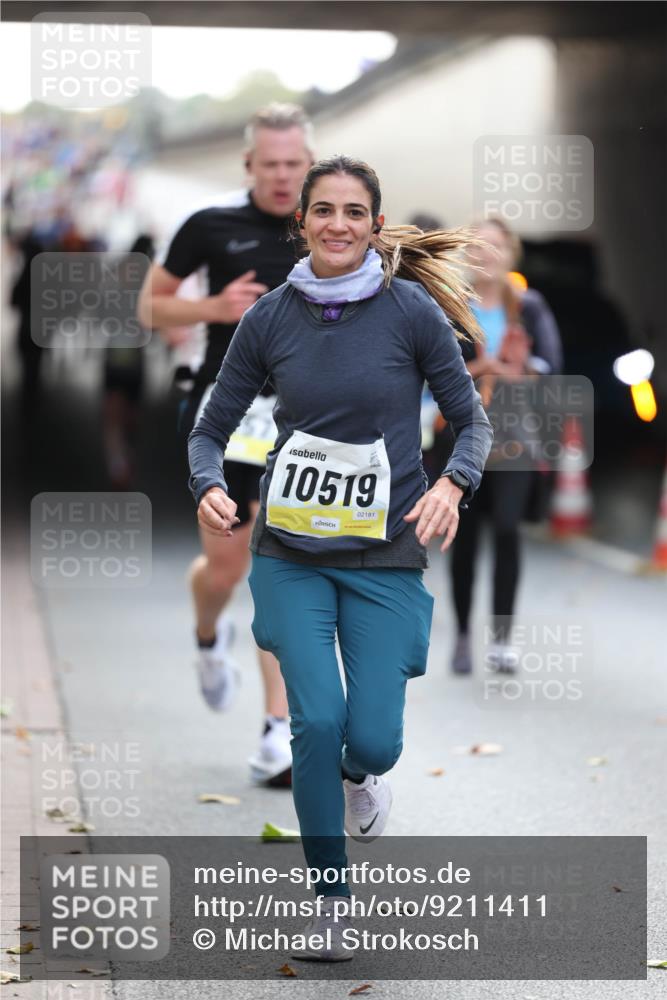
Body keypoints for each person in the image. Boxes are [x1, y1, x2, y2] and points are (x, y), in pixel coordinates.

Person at [188, 156, 493, 960]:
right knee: (315, 722)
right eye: (322, 210)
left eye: (352, 212)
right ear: (303, 222)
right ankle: (331, 900)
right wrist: (208, 484)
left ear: (374, 225)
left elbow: (472, 423)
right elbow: (209, 427)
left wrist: (450, 488)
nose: (335, 224)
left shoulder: (410, 312)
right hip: (290, 550)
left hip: (386, 551)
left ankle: (364, 779)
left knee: (375, 741)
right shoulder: (271, 318)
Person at [138, 105, 314, 786]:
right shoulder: (210, 226)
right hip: (227, 408)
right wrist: (214, 309)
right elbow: (149, 307)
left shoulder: (327, 227)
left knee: (280, 564)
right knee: (226, 566)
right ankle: (209, 639)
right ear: (248, 166)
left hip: (307, 418)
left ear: (308, 164)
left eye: (292, 164)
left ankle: (278, 730)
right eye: (268, 164)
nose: (280, 176)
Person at [449, 216, 563, 675]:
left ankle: (501, 639)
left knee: (508, 529)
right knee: (466, 538)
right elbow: (430, 366)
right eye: (476, 245)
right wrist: (482, 368)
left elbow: (551, 366)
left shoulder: (528, 306)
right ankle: (460, 636)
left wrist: (520, 368)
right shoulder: (451, 303)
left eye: (495, 246)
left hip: (515, 436)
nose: (485, 254)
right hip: (460, 435)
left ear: (510, 252)